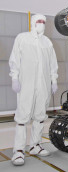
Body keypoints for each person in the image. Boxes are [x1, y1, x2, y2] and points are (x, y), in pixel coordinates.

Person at [9, 14, 58, 166]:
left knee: (40, 116)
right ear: (32, 23)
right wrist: (15, 78)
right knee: (22, 117)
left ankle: (35, 145)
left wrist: (54, 80)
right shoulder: (22, 38)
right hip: (26, 83)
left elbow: (52, 63)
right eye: (39, 21)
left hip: (43, 85)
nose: (41, 24)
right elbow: (15, 59)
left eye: (44, 22)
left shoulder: (47, 42)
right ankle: (18, 151)